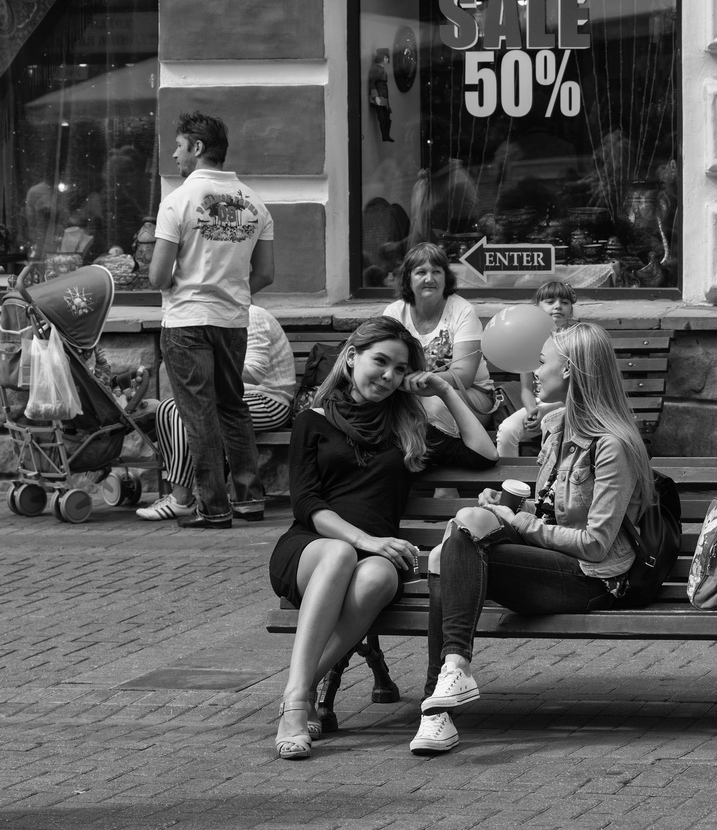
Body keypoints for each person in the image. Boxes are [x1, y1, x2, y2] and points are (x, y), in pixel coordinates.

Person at [409, 322, 656, 756]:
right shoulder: (556, 426)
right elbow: (548, 509)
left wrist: (515, 523)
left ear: (574, 373)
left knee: (456, 541)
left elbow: (597, 543)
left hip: (593, 579)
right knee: (459, 533)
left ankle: (436, 710)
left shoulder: (612, 444)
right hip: (552, 561)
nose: (535, 372)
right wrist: (511, 510)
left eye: (543, 363)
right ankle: (450, 679)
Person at [269, 317, 498, 760]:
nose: (389, 376)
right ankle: (297, 706)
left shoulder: (408, 430)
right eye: (381, 361)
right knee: (340, 554)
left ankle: (299, 689)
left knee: (378, 578)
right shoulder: (311, 422)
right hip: (312, 550)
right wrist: (368, 540)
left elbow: (483, 454)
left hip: (375, 560)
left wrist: (446, 390)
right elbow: (307, 506)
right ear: (352, 357)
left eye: (399, 369)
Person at [148, 111, 274, 528]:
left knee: (198, 413)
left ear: (198, 148)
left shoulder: (178, 202)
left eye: (179, 146)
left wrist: (184, 286)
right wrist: (232, 291)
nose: (174, 154)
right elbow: (267, 273)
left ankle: (213, 508)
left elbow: (157, 276)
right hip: (233, 318)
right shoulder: (255, 203)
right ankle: (250, 498)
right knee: (232, 407)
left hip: (186, 320)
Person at [136, 304, 294, 521]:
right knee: (167, 408)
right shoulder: (211, 319)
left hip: (268, 399)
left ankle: (181, 499)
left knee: (187, 413)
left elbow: (256, 373)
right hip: (229, 396)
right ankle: (177, 491)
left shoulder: (252, 315)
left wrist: (205, 368)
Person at [383, 243, 496, 435]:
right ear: (408, 278)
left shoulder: (462, 311)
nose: (429, 279)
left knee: (431, 405)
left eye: (436, 271)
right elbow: (385, 361)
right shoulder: (395, 312)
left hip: (471, 395)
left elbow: (464, 376)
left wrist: (424, 381)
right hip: (412, 393)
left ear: (446, 278)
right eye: (421, 272)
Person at [495, 279, 577, 456]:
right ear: (537, 308)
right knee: (507, 430)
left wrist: (545, 410)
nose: (557, 306)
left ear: (571, 310)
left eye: (564, 302)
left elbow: (576, 389)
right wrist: (532, 410)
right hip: (538, 405)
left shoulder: (576, 340)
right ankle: (508, 481)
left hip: (570, 405)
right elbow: (526, 389)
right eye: (550, 302)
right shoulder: (530, 341)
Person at [367, 48, 394, 143]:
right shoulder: (376, 70)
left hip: (384, 97)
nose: (387, 59)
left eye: (387, 57)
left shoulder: (382, 70)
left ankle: (386, 135)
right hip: (379, 97)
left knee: (387, 118)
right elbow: (372, 83)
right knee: (382, 118)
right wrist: (376, 97)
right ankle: (385, 135)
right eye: (385, 57)